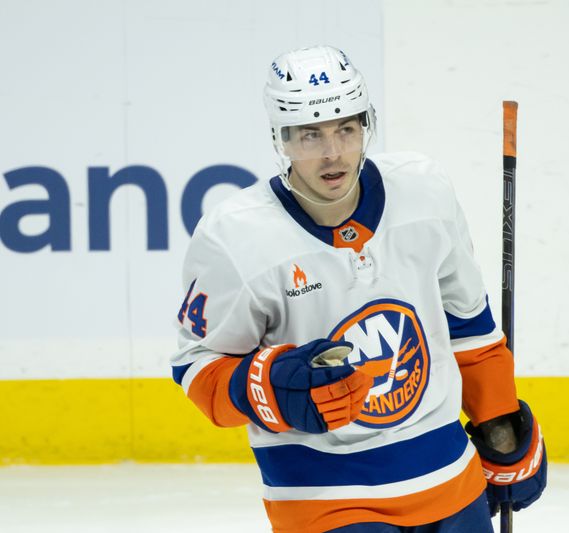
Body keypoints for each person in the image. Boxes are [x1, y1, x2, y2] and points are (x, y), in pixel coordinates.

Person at [170, 45, 547, 533]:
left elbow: (468, 324)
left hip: (450, 477)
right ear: (280, 139)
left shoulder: (424, 191)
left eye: (346, 129)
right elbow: (196, 366)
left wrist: (498, 421)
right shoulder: (235, 236)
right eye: (310, 135)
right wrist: (263, 387)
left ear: (367, 124)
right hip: (323, 498)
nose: (332, 153)